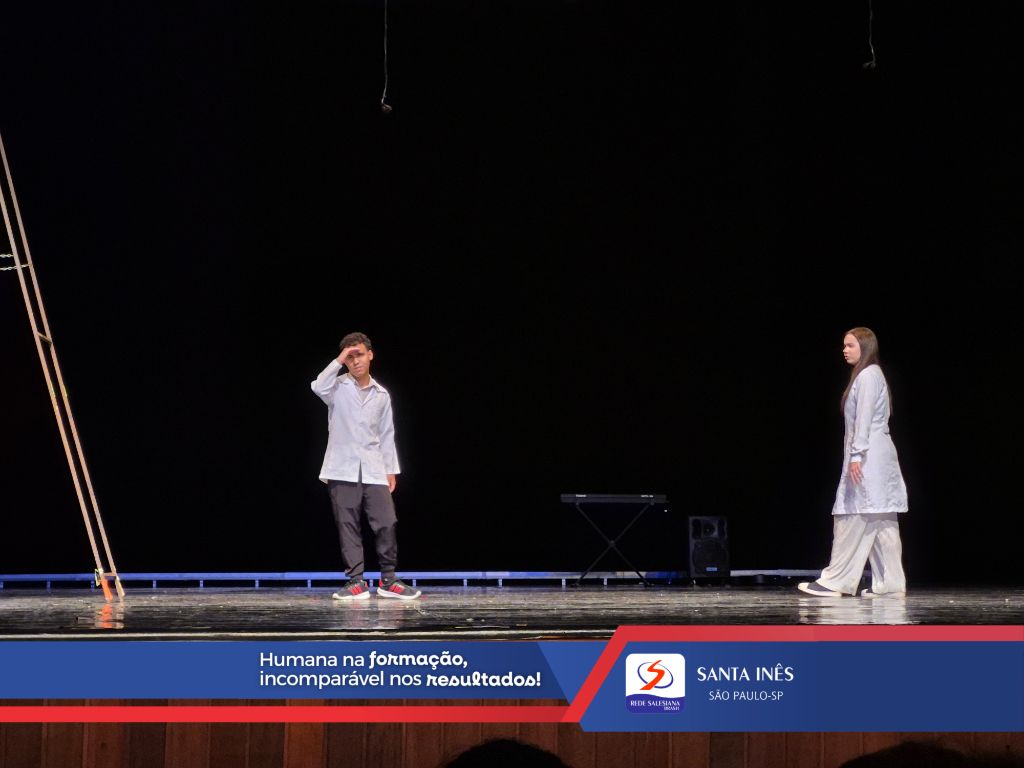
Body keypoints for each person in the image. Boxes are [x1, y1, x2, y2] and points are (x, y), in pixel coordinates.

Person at [798, 327, 908, 598]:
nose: (844, 350)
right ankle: (891, 583)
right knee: (881, 519)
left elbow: (864, 418)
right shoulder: (870, 375)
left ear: (865, 347)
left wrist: (857, 455)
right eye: (844, 345)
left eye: (850, 345)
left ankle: (835, 581)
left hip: (869, 456)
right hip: (877, 456)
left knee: (853, 515)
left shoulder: (868, 375)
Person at [311, 331, 421, 601]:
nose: (355, 361)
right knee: (347, 524)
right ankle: (356, 581)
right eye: (350, 357)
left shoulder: (381, 394)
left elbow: (386, 434)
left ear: (370, 355)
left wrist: (390, 469)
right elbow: (317, 386)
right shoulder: (336, 387)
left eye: (359, 354)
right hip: (341, 467)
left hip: (373, 468)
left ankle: (388, 580)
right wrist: (339, 359)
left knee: (386, 521)